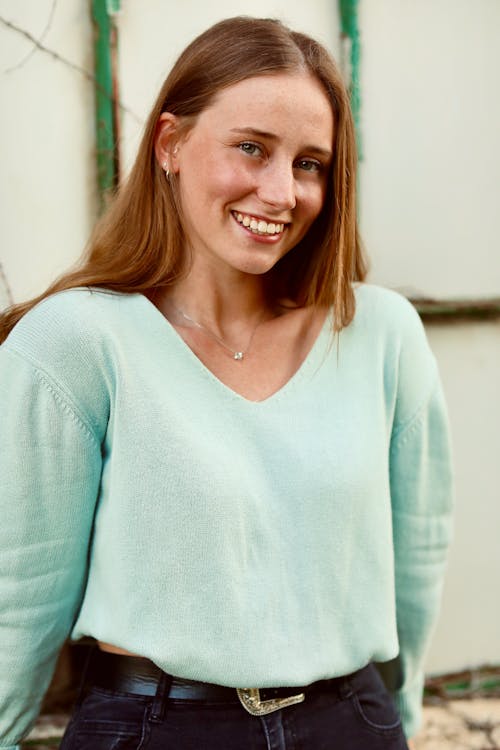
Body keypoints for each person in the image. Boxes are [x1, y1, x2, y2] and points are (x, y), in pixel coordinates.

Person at [0, 16, 453, 750]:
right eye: (251, 148)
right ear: (170, 144)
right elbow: (18, 590)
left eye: (310, 164)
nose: (282, 192)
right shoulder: (76, 343)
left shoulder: (381, 334)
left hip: (351, 722)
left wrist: (398, 713)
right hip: (153, 727)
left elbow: (419, 548)